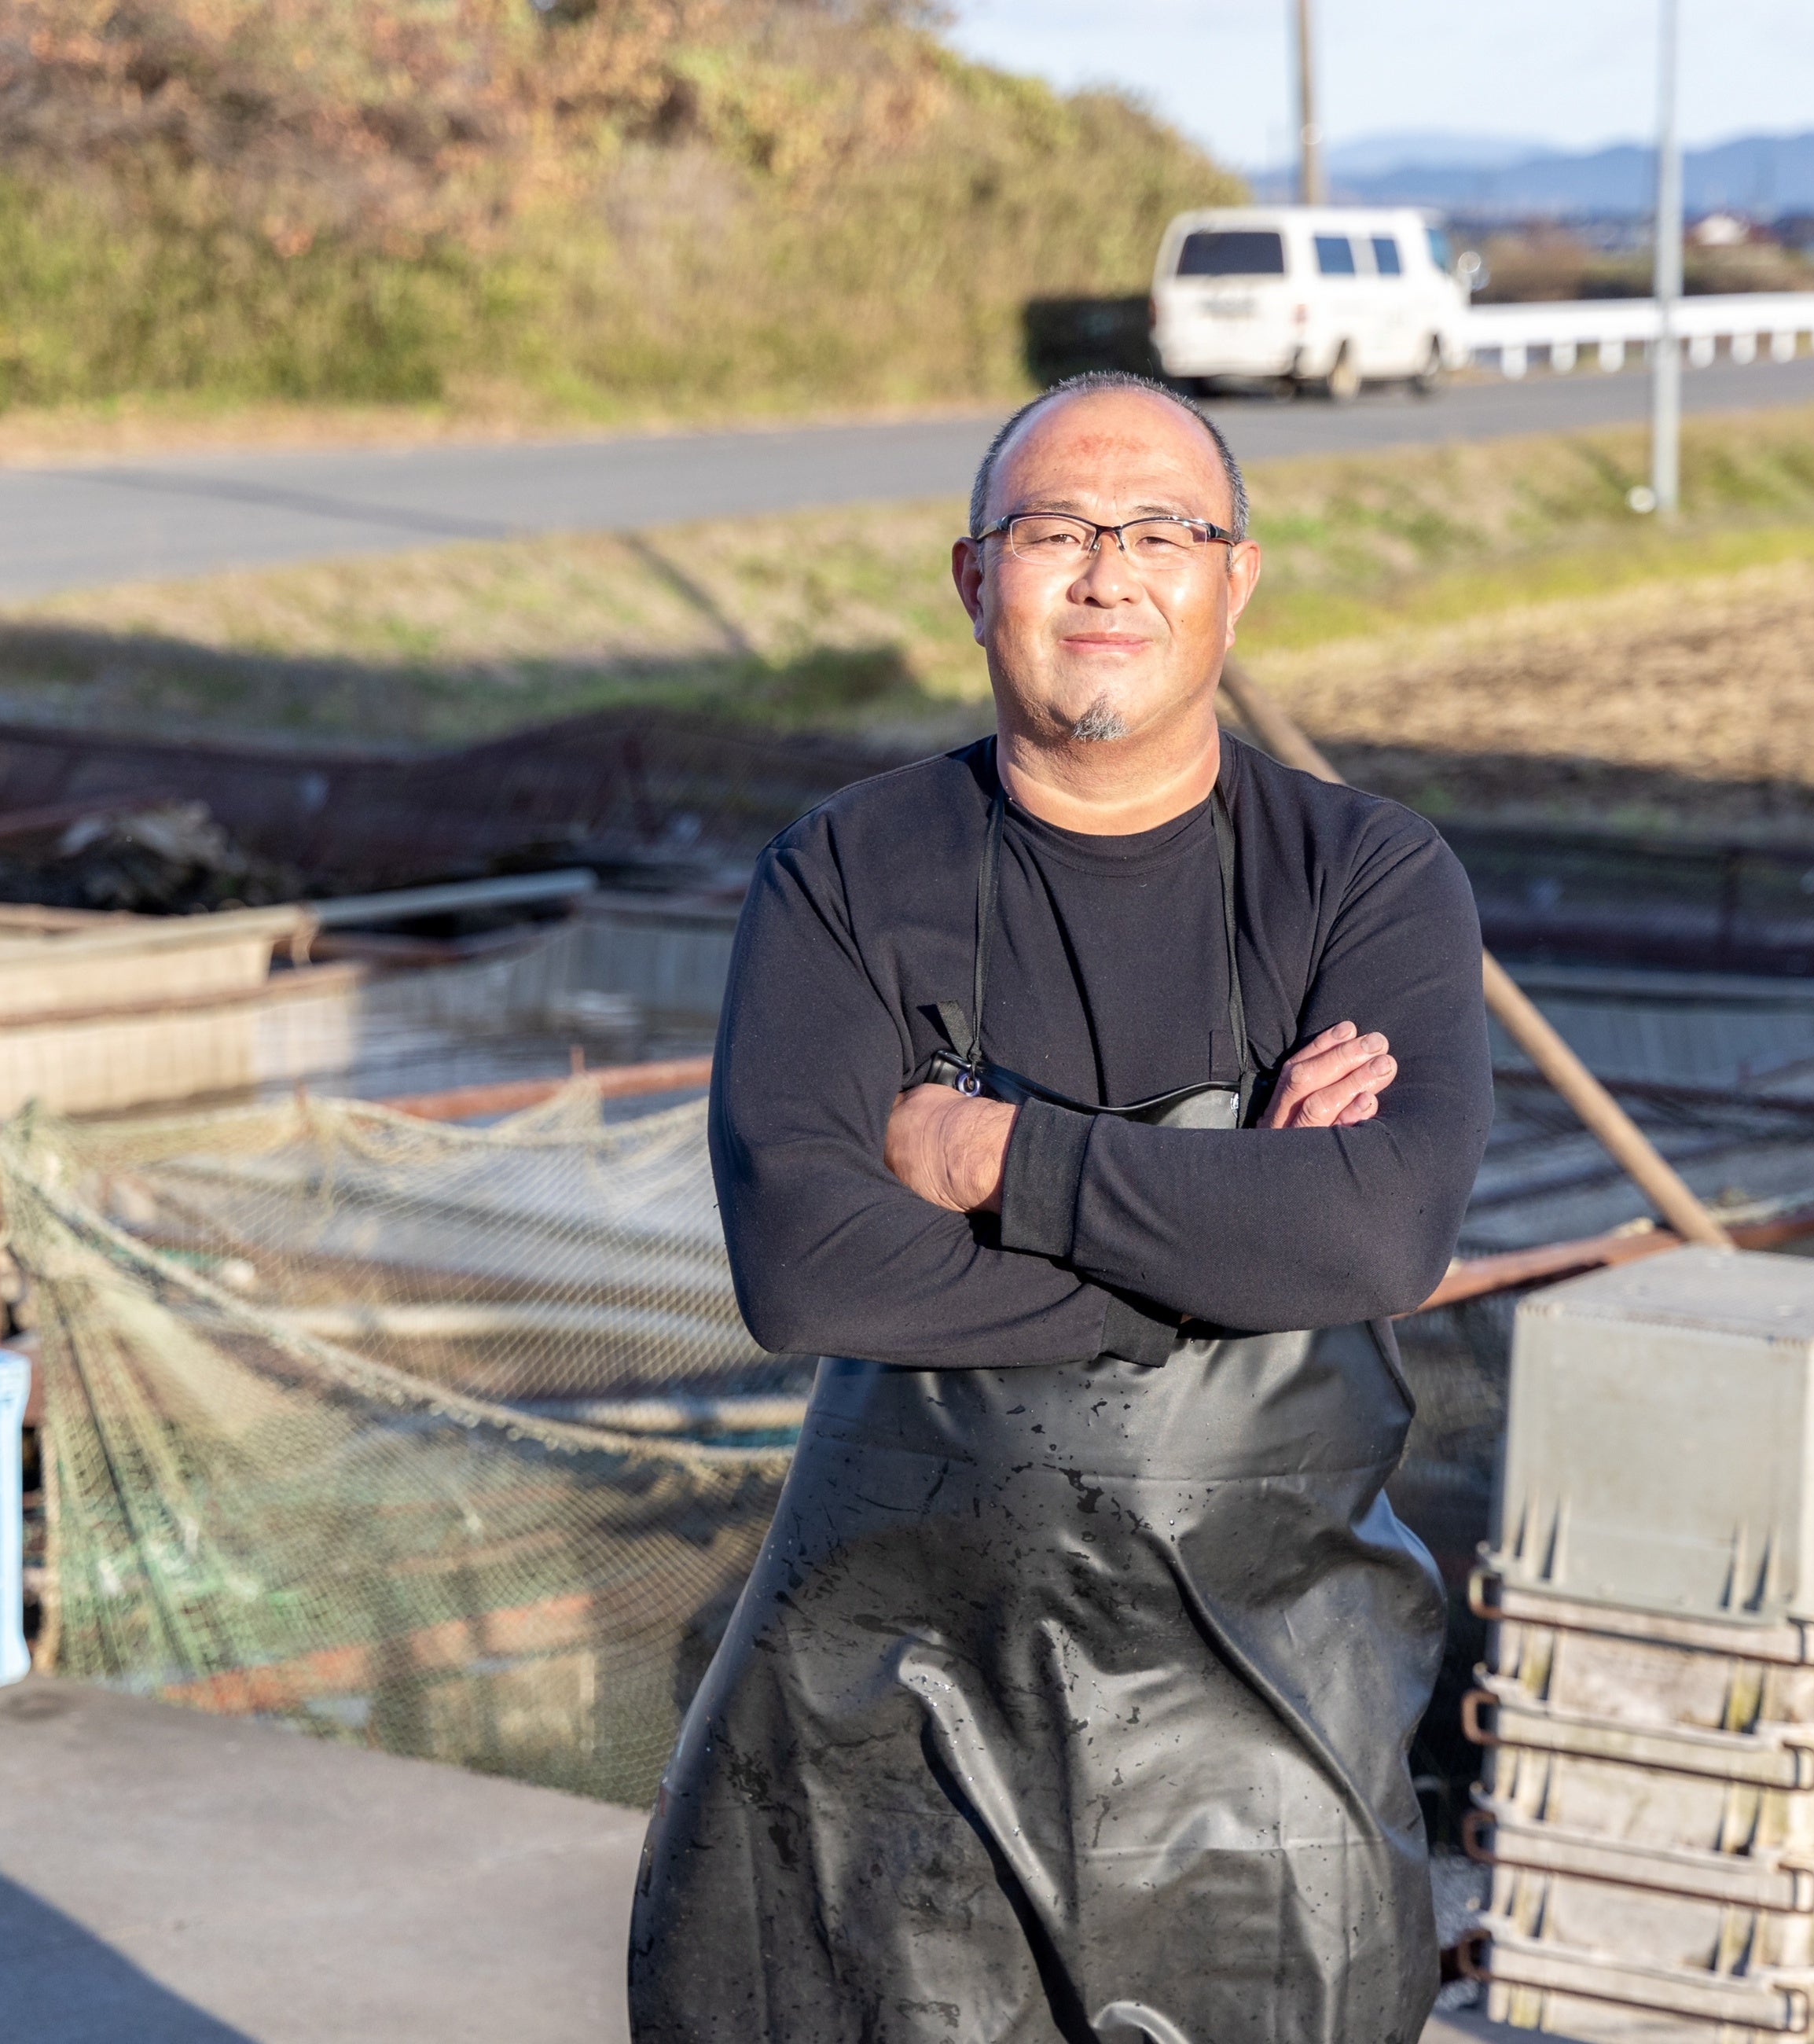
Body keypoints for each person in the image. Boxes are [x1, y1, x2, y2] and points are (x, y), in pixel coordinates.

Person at [627, 371, 1493, 2044]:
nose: (1110, 575)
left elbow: (1381, 1236)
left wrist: (992, 1163)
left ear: (1234, 575)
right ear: (976, 580)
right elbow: (806, 1266)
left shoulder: (1368, 875)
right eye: (1056, 532)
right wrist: (1240, 1223)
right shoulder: (848, 871)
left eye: (1162, 529)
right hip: (886, 1719)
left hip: (1265, 1750)